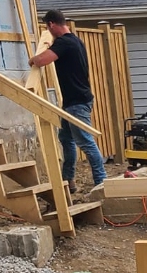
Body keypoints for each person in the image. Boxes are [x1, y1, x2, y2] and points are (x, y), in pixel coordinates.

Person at [29, 10, 108, 188]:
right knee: (66, 138)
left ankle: (102, 182)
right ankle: (68, 180)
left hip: (77, 103)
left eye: (48, 29)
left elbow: (42, 61)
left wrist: (33, 59)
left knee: (85, 141)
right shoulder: (76, 41)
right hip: (74, 101)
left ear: (51, 24)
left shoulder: (65, 43)